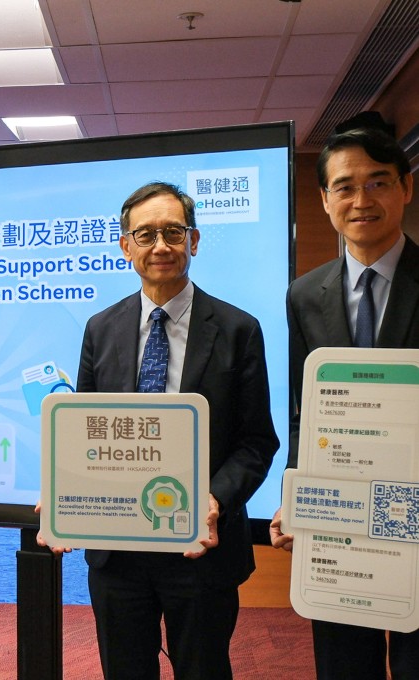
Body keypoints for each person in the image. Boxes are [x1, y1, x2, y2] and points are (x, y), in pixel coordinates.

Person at [52, 181, 279, 679]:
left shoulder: (239, 329)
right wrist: (63, 490)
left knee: (203, 669)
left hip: (200, 546)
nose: (160, 246)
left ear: (193, 241)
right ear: (125, 245)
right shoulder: (100, 328)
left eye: (173, 232)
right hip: (118, 549)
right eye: (146, 234)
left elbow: (257, 441)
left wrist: (214, 499)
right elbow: (83, 432)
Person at [269, 123, 419, 678]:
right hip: (340, 518)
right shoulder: (306, 294)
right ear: (325, 200)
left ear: (405, 188)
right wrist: (295, 493)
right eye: (345, 187)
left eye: (378, 183)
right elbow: (305, 409)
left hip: (416, 513)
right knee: (342, 661)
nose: (362, 201)